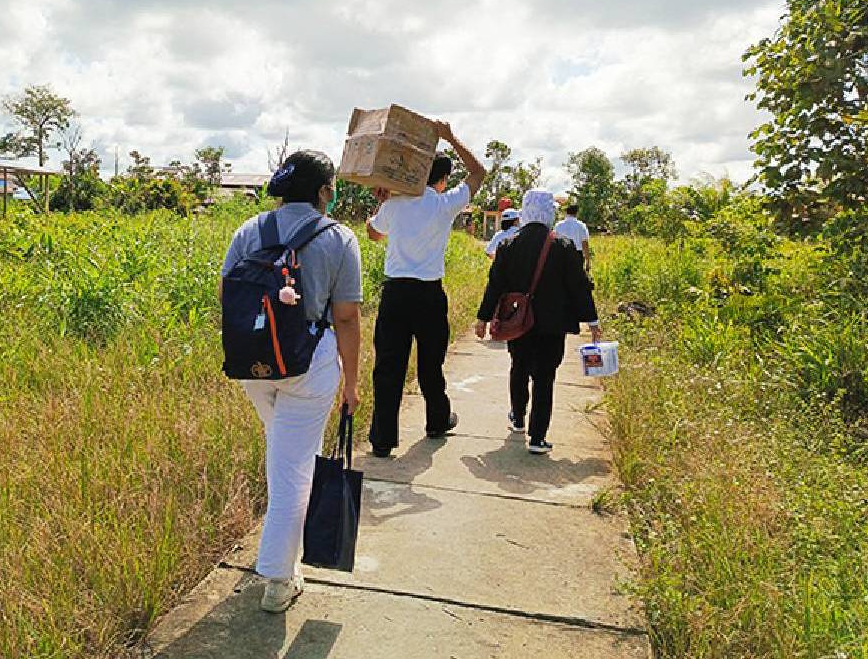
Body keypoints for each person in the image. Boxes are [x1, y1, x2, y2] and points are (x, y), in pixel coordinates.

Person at [220, 151, 363, 613]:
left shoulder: (251, 230)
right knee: (294, 469)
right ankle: (279, 579)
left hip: (253, 366)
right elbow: (346, 318)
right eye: (332, 187)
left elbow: (226, 294)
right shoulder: (338, 238)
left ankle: (287, 560)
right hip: (308, 367)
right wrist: (352, 384)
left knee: (281, 451)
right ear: (324, 191)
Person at [365, 122, 486, 458]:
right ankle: (436, 420)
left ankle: (382, 438)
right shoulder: (445, 204)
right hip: (429, 296)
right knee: (431, 363)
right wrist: (450, 136)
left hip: (395, 294)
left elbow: (373, 234)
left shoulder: (395, 205)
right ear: (442, 180)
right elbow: (479, 172)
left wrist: (382, 203)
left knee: (389, 366)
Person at [474, 189, 601, 455]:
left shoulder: (508, 245)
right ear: (549, 213)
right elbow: (579, 288)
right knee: (545, 377)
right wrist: (592, 321)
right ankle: (538, 438)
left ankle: (518, 417)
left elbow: (494, 285)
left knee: (518, 367)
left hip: (518, 322)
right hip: (552, 325)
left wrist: (483, 318)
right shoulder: (563, 246)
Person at [553, 202, 591, 271]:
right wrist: (588, 261)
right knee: (577, 277)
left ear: (566, 213)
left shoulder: (558, 225)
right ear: (577, 213)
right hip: (577, 254)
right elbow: (585, 244)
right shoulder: (581, 225)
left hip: (562, 255)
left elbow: (554, 242)